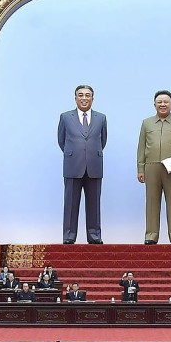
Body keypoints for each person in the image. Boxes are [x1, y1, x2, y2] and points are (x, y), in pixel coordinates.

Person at [136, 90, 171, 245]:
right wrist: (140, 169)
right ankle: (151, 235)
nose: (162, 104)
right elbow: (141, 147)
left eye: (166, 102)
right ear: (154, 104)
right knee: (152, 202)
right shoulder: (146, 123)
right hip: (151, 167)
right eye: (159, 102)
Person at [58, 85, 107, 245]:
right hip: (73, 165)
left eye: (87, 95)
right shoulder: (65, 117)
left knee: (94, 204)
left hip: (94, 165)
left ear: (93, 98)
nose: (84, 98)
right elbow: (61, 140)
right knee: (70, 204)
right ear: (75, 98)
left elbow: (103, 140)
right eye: (80, 95)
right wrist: (75, 153)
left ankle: (94, 236)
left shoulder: (101, 117)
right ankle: (69, 236)